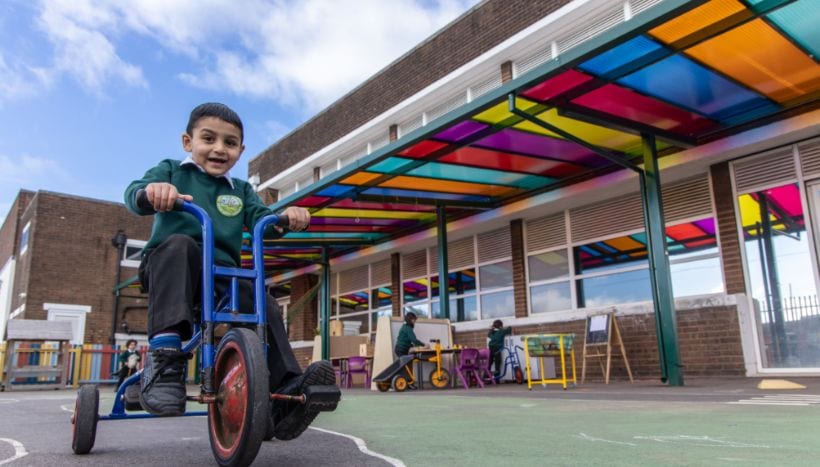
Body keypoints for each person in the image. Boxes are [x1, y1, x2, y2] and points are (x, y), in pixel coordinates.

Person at [124, 102, 336, 441]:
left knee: (260, 299)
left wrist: (285, 218)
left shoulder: (240, 191)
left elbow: (262, 219)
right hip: (172, 269)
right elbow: (134, 194)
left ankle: (286, 392)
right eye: (208, 138)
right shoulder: (171, 170)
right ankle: (165, 361)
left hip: (221, 279)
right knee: (181, 245)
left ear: (241, 150)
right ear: (187, 142)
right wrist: (151, 192)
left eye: (230, 142)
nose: (219, 149)